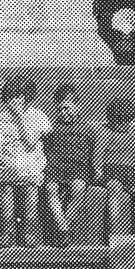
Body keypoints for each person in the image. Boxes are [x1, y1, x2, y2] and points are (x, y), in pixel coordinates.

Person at [0, 77, 53, 247]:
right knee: (6, 188)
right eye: (9, 98)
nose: (14, 101)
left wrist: (20, 118)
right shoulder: (0, 119)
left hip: (30, 162)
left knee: (30, 189)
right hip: (8, 163)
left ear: (26, 97)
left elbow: (30, 143)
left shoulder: (36, 116)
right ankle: (8, 230)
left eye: (18, 97)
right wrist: (3, 158)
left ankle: (29, 230)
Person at [41, 84, 98, 245]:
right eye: (59, 109)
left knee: (78, 188)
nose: (63, 113)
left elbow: (92, 151)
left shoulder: (87, 128)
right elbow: (46, 149)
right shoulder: (52, 128)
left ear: (78, 107)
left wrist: (94, 168)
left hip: (78, 167)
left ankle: (64, 225)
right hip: (56, 166)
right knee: (50, 189)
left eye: (67, 108)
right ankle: (63, 229)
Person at [92, 96, 135, 238]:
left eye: (128, 121)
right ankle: (114, 234)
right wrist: (97, 171)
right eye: (120, 121)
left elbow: (134, 156)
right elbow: (98, 154)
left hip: (127, 171)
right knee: (114, 189)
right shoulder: (105, 132)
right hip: (110, 170)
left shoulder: (131, 133)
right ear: (112, 120)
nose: (125, 125)